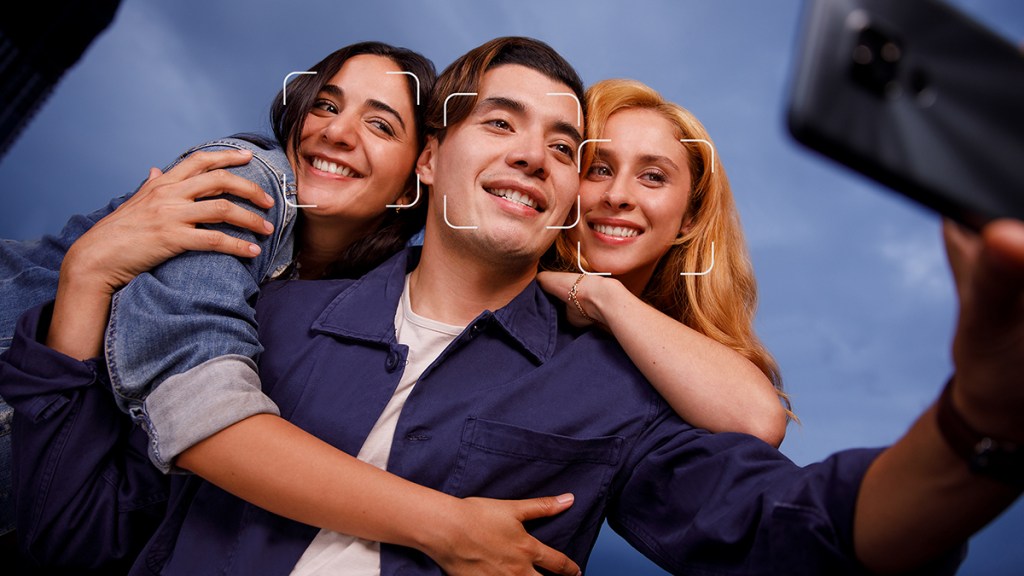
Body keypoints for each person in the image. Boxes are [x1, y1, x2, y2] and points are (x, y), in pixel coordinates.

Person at [7, 35, 1024, 574]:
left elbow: (803, 531)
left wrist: (980, 423)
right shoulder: (266, 318)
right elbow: (77, 537)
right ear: (431, 160)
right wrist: (84, 289)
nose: (537, 154)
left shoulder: (609, 399)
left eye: (564, 146)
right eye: (500, 123)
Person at [0, 41, 591, 575]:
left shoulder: (325, 307)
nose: (336, 132)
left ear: (414, 174)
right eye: (326, 105)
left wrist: (86, 280)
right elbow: (195, 398)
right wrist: (447, 526)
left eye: (380, 125)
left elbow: (95, 518)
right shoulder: (246, 180)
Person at [538, 78, 792, 445]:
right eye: (599, 169)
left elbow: (759, 420)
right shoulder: (511, 303)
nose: (617, 195)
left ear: (691, 215)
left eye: (653, 177)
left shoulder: (681, 361)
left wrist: (603, 296)